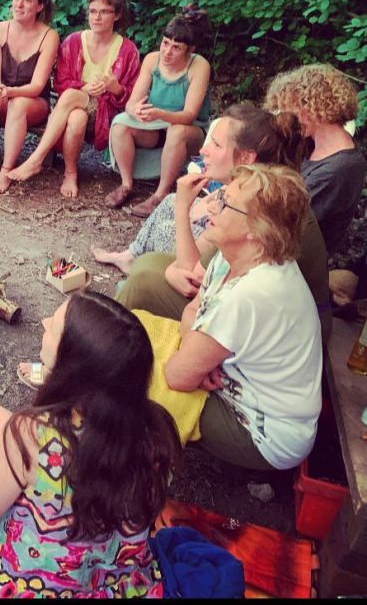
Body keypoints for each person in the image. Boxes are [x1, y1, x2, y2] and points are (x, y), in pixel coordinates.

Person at [0, 291, 179, 597]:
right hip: (110, 583)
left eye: (54, 326)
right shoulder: (157, 432)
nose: (44, 322)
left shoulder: (31, 432)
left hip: (32, 587)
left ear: (73, 364)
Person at [163, 164, 322, 472]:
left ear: (257, 230)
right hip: (246, 389)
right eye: (219, 194)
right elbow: (192, 310)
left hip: (269, 435)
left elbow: (177, 376)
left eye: (225, 203)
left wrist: (194, 359)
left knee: (144, 380)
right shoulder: (233, 258)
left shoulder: (252, 293)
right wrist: (197, 352)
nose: (211, 204)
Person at [92, 104, 307, 274]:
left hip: (209, 273)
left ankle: (148, 269)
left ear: (246, 158)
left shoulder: (251, 203)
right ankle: (131, 256)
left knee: (167, 227)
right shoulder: (249, 184)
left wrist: (184, 208)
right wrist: (191, 206)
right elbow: (207, 205)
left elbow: (194, 266)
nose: (204, 150)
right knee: (170, 201)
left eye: (217, 145)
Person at [7, 0, 140, 197]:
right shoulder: (74, 41)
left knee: (70, 96)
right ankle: (70, 173)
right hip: (72, 108)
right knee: (77, 117)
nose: (97, 17)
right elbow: (60, 82)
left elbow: (132, 96)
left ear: (116, 15)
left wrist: (114, 87)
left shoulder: (128, 50)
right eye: (93, 11)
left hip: (106, 113)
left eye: (104, 12)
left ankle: (35, 160)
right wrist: (84, 88)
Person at [106, 5, 213, 215]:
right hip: (154, 127)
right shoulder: (152, 59)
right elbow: (130, 103)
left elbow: (189, 115)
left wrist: (159, 113)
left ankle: (160, 194)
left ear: (190, 50)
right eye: (165, 43)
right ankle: (126, 184)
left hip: (189, 130)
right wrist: (136, 110)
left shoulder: (199, 66)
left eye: (176, 47)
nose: (167, 51)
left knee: (176, 131)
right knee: (120, 124)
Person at [264, 64, 366, 256]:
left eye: (293, 110)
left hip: (303, 256)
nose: (290, 119)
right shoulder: (312, 143)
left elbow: (285, 219)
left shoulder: (339, 169)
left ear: (315, 109)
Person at [0, 0, 59, 194]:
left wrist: (10, 92)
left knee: (18, 104)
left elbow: (37, 85)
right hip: (4, 97)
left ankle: (6, 170)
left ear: (40, 6)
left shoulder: (49, 36)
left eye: (27, 0)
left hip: (33, 102)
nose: (19, 5)